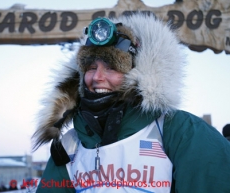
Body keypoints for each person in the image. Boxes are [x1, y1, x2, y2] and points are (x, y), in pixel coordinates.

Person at [32, 13, 230, 193]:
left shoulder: (179, 131)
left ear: (136, 72)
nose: (97, 77)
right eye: (91, 67)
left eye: (111, 67)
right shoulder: (70, 146)